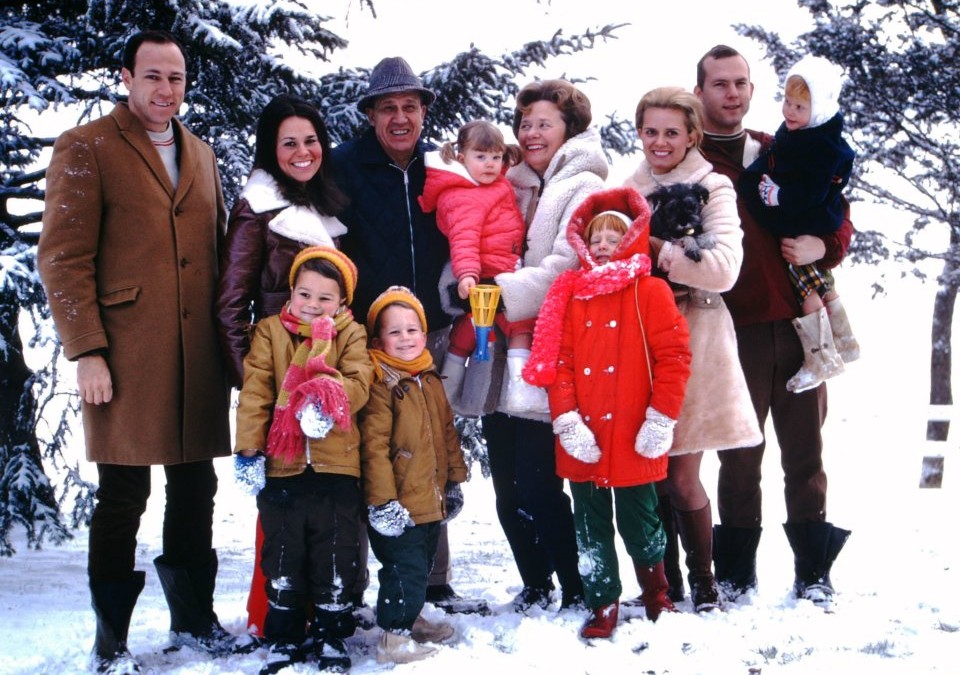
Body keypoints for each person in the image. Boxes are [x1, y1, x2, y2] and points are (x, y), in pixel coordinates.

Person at [694, 44, 852, 607]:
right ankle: (735, 573)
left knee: (806, 453)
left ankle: (814, 572)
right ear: (700, 93)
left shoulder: (779, 148)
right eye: (720, 84)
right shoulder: (692, 163)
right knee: (739, 457)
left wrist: (825, 245)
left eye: (741, 83)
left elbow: (837, 214)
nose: (732, 93)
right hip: (732, 330)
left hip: (800, 326)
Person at [332, 56, 482, 613]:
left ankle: (432, 580)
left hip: (432, 332)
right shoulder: (345, 166)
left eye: (410, 107)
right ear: (371, 114)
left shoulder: (440, 167)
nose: (400, 117)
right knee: (368, 453)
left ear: (423, 112)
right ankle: (351, 587)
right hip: (371, 339)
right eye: (388, 107)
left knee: (427, 453)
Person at [523, 187, 692, 638]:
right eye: (595, 236)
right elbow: (559, 363)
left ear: (634, 238)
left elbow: (674, 358)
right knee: (589, 525)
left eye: (614, 236)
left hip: (636, 430)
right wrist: (566, 419)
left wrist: (661, 418)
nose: (601, 244)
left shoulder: (651, 291)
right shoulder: (571, 295)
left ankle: (658, 593)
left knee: (642, 519)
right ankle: (603, 603)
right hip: (585, 433)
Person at [214, 93, 351, 638]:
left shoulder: (330, 207)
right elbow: (230, 304)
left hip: (331, 377)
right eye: (288, 142)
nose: (302, 151)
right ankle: (270, 614)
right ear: (270, 149)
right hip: (280, 379)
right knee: (282, 507)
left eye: (311, 140)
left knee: (329, 501)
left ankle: (322, 608)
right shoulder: (258, 208)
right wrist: (258, 387)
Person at [468, 79, 608, 611]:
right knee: (505, 480)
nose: (530, 132)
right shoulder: (511, 182)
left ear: (569, 129)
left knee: (539, 480)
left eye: (543, 123)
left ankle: (575, 586)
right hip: (501, 348)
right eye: (524, 123)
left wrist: (496, 292)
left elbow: (565, 266)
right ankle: (534, 582)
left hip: (553, 349)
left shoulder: (583, 188)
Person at [622, 86, 763, 612]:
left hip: (698, 339)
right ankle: (667, 585)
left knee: (682, 476)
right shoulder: (627, 188)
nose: (660, 142)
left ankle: (705, 582)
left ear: (691, 136)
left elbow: (724, 268)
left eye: (672, 132)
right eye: (651, 131)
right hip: (637, 338)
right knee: (649, 472)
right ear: (639, 133)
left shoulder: (714, 186)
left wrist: (657, 249)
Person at [233, 246, 373, 674]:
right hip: (283, 467)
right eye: (305, 294)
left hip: (336, 468)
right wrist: (249, 450)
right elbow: (256, 391)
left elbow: (360, 380)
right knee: (283, 556)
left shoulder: (351, 334)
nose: (313, 305)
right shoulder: (270, 332)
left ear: (342, 302)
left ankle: (332, 633)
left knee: (335, 555)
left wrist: (328, 399)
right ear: (291, 292)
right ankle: (285, 636)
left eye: (325, 298)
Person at [360, 286, 468, 664]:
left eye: (412, 330)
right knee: (402, 568)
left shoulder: (429, 377)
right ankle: (393, 637)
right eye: (394, 331)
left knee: (420, 566)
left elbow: (447, 433)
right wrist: (382, 501)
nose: (405, 338)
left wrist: (453, 481)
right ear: (378, 339)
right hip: (398, 501)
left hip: (429, 497)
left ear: (424, 334)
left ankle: (410, 617)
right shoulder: (380, 383)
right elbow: (373, 449)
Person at [739, 55, 860, 393]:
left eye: (799, 107)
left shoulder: (819, 147)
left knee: (807, 286)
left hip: (801, 227)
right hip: (803, 227)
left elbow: (814, 193)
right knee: (819, 281)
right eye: (787, 103)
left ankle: (822, 357)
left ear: (819, 108)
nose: (789, 112)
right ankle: (845, 340)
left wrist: (777, 196)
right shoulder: (801, 135)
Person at [417, 120, 545, 413]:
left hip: (503, 270)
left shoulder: (488, 182)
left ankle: (447, 393)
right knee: (517, 328)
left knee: (467, 335)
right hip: (485, 276)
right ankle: (521, 389)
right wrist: (468, 275)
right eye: (481, 157)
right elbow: (464, 240)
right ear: (461, 158)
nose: (489, 164)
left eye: (495, 157)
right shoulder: (463, 196)